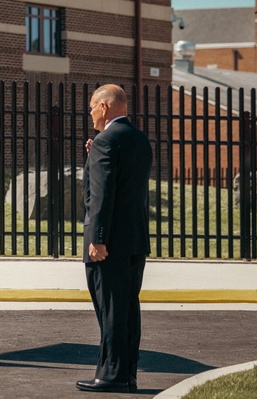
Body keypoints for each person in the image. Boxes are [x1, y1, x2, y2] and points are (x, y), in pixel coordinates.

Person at [77, 84, 152, 394]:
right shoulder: (138, 138)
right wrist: (93, 157)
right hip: (135, 241)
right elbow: (125, 185)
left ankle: (111, 375)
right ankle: (127, 374)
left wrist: (98, 238)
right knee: (127, 312)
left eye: (93, 106)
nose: (90, 112)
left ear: (105, 107)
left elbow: (103, 195)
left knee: (110, 311)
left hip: (110, 245)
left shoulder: (107, 141)